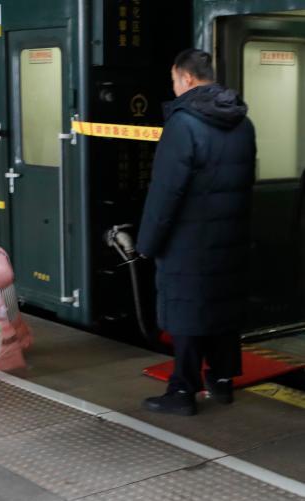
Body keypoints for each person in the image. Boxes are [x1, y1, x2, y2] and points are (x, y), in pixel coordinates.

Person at [137, 49, 256, 416]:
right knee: (221, 308)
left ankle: (182, 391)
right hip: (230, 236)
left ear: (186, 78)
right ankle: (221, 381)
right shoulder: (242, 122)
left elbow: (165, 192)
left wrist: (147, 243)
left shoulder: (183, 124)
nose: (173, 88)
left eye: (173, 80)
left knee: (186, 312)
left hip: (188, 240)